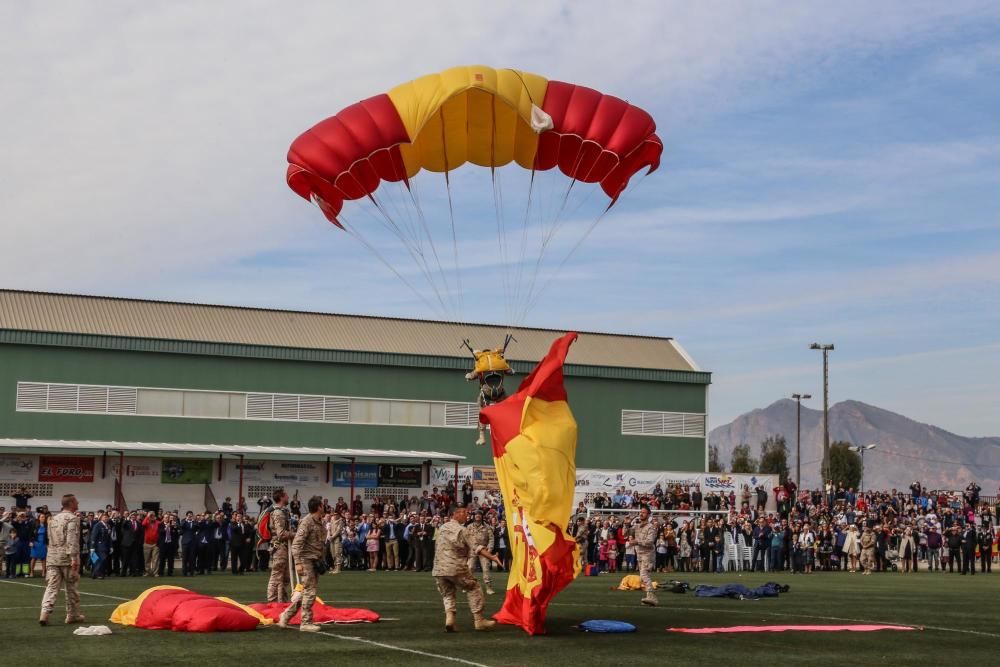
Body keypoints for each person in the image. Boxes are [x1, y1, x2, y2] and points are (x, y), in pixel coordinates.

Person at [433, 504, 501, 632]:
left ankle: (450, 620)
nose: (467, 515)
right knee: (473, 587)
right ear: (455, 514)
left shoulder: (442, 527)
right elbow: (477, 547)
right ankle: (479, 620)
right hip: (455, 566)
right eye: (464, 512)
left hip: (438, 568)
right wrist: (492, 557)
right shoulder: (462, 530)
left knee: (448, 593)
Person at [278, 495, 327, 632]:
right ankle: (305, 622)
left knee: (306, 592)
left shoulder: (319, 522)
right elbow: (296, 544)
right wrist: (298, 563)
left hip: (315, 560)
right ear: (318, 507)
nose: (324, 507)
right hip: (306, 560)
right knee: (310, 591)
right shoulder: (307, 522)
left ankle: (286, 616)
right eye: (322, 505)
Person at [39, 494, 84, 626]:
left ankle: (44, 613)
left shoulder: (52, 519)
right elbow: (71, 539)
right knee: (71, 587)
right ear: (70, 503)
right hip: (66, 557)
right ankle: (72, 615)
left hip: (52, 556)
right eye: (76, 501)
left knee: (52, 586)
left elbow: (50, 538)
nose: (78, 502)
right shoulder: (72, 519)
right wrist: (73, 558)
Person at [462, 337, 515, 446]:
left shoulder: (481, 365)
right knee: (506, 408)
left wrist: (468, 376)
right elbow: (510, 371)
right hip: (500, 394)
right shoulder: (499, 362)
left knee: (482, 412)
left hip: (486, 394)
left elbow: (471, 376)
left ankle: (482, 437)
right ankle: (506, 431)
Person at [268, 489, 294, 602]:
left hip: (284, 548)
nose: (288, 497)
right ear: (282, 497)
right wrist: (297, 534)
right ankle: (272, 602)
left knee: (285, 578)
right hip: (280, 548)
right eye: (287, 495)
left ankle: (282, 601)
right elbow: (281, 534)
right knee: (276, 577)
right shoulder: (278, 512)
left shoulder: (283, 511)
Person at [466, 510, 495, 595]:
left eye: (479, 514)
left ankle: (488, 587)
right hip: (473, 549)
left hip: (484, 550)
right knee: (470, 568)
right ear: (474, 516)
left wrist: (490, 548)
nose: (478, 516)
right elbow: (465, 538)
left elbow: (491, 539)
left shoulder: (487, 527)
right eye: (476, 514)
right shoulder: (469, 526)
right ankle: (468, 586)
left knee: (486, 568)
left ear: (482, 516)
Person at [633, 506, 658, 606]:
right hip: (640, 554)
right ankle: (650, 597)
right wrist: (626, 524)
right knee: (643, 576)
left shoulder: (650, 527)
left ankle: (652, 597)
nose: (641, 514)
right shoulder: (638, 526)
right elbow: (625, 533)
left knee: (644, 575)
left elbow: (650, 541)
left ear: (648, 515)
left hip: (647, 554)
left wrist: (637, 541)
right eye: (640, 512)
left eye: (643, 512)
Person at [90, 512, 113, 579]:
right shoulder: (98, 525)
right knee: (100, 559)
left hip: (105, 545)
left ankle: (97, 574)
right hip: (98, 545)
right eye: (104, 517)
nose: (106, 518)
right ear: (101, 518)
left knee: (102, 560)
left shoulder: (108, 526)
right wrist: (92, 547)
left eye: (107, 517)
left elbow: (109, 537)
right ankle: (97, 574)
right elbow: (93, 536)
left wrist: (111, 546)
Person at [141, 511, 160, 577]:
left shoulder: (158, 523)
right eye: (151, 516)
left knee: (155, 559)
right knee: (147, 559)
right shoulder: (146, 522)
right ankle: (147, 572)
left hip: (155, 544)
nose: (152, 517)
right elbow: (143, 524)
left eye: (153, 516)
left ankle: (155, 572)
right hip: (147, 543)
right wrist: (147, 516)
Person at [29, 511, 48, 578]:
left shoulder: (47, 526)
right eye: (42, 517)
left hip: (43, 543)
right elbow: (31, 534)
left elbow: (48, 536)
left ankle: (43, 572)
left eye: (44, 517)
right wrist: (31, 542)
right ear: (39, 518)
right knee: (33, 558)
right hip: (36, 543)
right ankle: (31, 572)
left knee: (44, 558)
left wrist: (47, 544)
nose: (43, 518)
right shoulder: (35, 525)